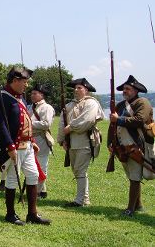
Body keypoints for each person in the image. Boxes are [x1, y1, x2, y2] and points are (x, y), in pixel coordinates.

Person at [0, 67, 50, 225]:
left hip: (27, 146)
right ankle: (10, 214)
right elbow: (1, 126)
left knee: (33, 176)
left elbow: (25, 122)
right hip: (14, 146)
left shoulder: (20, 98)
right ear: (15, 81)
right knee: (12, 180)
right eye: (24, 82)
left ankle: (32, 214)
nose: (26, 85)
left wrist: (31, 140)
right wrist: (10, 147)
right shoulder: (2, 99)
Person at [108, 75, 154, 216]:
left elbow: (140, 120)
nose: (125, 91)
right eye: (124, 89)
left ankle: (130, 209)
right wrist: (110, 142)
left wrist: (119, 119)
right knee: (132, 176)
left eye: (128, 89)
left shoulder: (142, 102)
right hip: (123, 147)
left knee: (135, 178)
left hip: (137, 145)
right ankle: (138, 204)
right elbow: (112, 125)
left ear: (135, 90)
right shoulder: (121, 105)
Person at [57, 78, 105, 207]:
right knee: (77, 170)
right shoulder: (69, 106)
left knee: (80, 170)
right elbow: (62, 123)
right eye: (76, 88)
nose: (76, 90)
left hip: (85, 141)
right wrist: (62, 140)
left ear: (86, 90)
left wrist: (71, 127)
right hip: (71, 142)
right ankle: (85, 198)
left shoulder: (91, 103)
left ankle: (80, 200)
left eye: (80, 88)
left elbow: (87, 120)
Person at [30, 84, 55, 199]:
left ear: (42, 95)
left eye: (35, 93)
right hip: (31, 139)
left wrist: (29, 124)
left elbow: (46, 124)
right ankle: (41, 190)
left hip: (41, 139)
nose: (32, 95)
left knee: (41, 166)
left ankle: (38, 192)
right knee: (32, 165)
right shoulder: (30, 107)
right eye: (32, 93)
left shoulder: (47, 108)